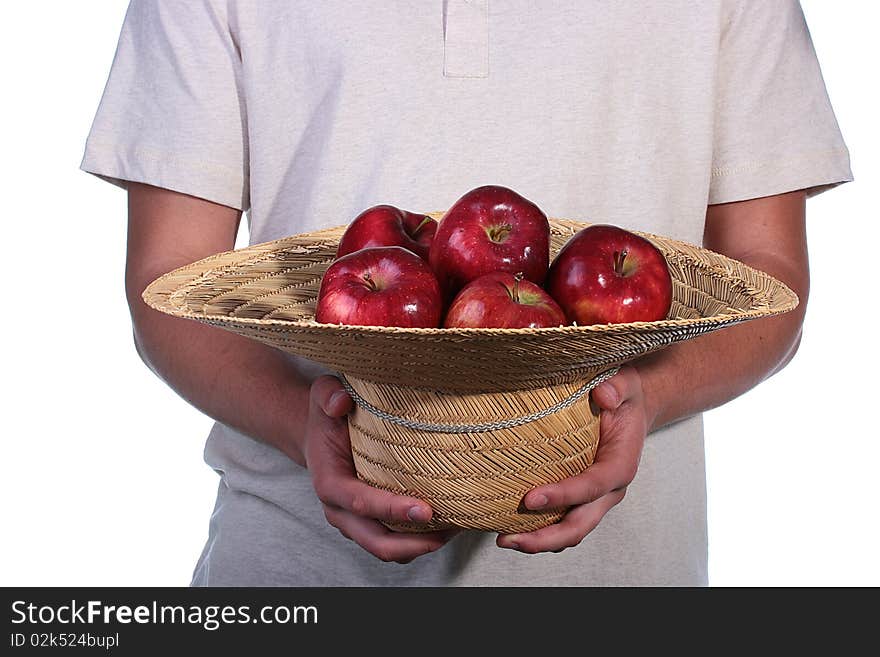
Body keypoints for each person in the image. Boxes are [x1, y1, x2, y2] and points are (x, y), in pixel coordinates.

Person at [82, 0, 851, 586]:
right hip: (292, 569)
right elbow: (168, 276)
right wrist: (299, 424)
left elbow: (768, 272)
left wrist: (647, 396)